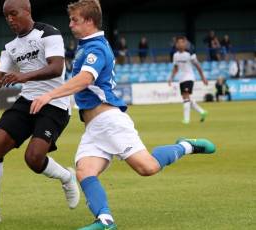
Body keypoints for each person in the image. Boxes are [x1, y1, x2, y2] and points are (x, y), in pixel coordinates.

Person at [30, 1, 216, 229]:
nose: (70, 24)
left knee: (147, 168)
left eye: (74, 20)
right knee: (85, 170)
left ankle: (186, 146)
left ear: (89, 21)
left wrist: (49, 96)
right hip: (94, 127)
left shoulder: (96, 47)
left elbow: (85, 79)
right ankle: (105, 220)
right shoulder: (87, 44)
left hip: (110, 121)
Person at [0, 0, 80, 226]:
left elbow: (56, 67)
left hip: (54, 102)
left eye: (13, 14)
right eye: (6, 16)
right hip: (27, 101)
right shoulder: (10, 47)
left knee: (33, 159)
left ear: (27, 11)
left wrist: (24, 76)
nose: (10, 20)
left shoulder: (49, 33)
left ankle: (67, 176)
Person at [168, 36, 209, 124]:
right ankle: (202, 112)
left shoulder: (190, 54)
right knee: (186, 98)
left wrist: (203, 78)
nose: (180, 44)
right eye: (178, 43)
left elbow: (198, 66)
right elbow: (175, 68)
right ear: (176, 44)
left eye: (181, 42)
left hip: (189, 77)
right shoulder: (175, 55)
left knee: (185, 98)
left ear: (185, 43)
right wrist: (171, 78)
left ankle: (186, 120)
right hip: (181, 79)